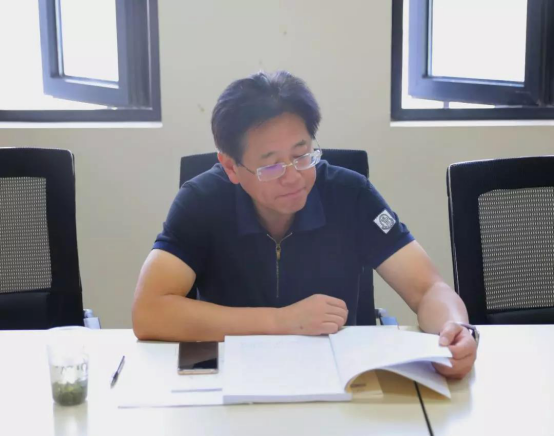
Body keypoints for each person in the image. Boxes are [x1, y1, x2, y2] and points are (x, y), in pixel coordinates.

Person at [133, 71, 477, 380]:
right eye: (271, 166)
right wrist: (281, 321)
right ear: (231, 167)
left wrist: (455, 328)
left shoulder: (350, 194)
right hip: (230, 375)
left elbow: (428, 288)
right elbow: (149, 311)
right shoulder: (201, 201)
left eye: (302, 155)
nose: (293, 177)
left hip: (337, 376)